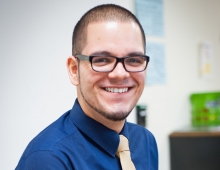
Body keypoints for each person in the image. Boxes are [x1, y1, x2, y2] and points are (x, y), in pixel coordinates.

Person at [15, 4, 158, 170]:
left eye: (134, 60)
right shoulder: (47, 159)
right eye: (102, 60)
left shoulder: (146, 142)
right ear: (74, 70)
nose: (120, 74)